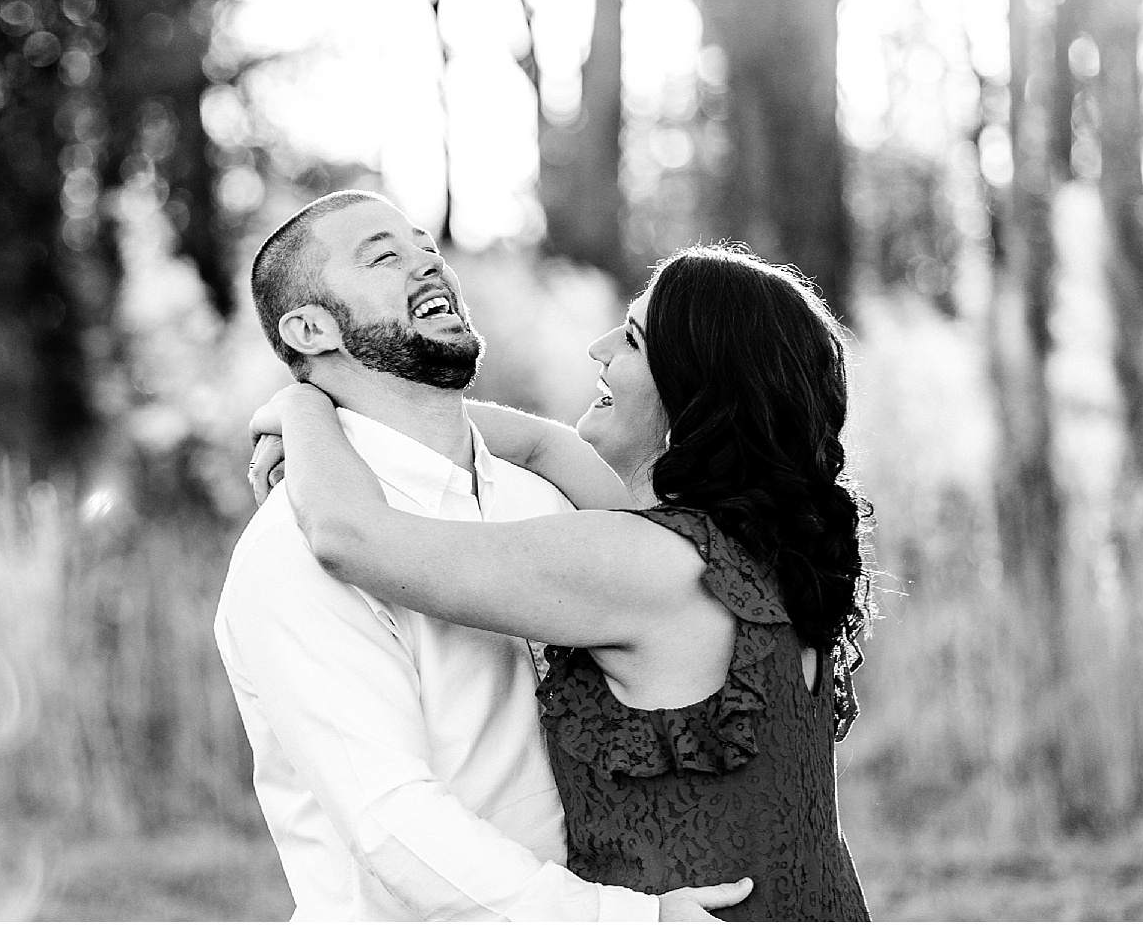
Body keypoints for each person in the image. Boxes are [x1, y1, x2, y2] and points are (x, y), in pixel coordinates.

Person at [249, 240, 874, 922]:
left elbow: (352, 536)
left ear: (693, 389)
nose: (600, 348)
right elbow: (548, 445)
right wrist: (355, 425)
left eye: (632, 339)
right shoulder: (754, 544)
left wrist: (305, 408)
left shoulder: (638, 561)